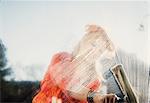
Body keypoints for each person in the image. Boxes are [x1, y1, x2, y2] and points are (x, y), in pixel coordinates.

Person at [32, 25, 117, 103]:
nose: (95, 51)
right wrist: (97, 97)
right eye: (93, 44)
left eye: (100, 51)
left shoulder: (95, 81)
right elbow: (69, 85)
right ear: (84, 40)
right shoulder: (61, 58)